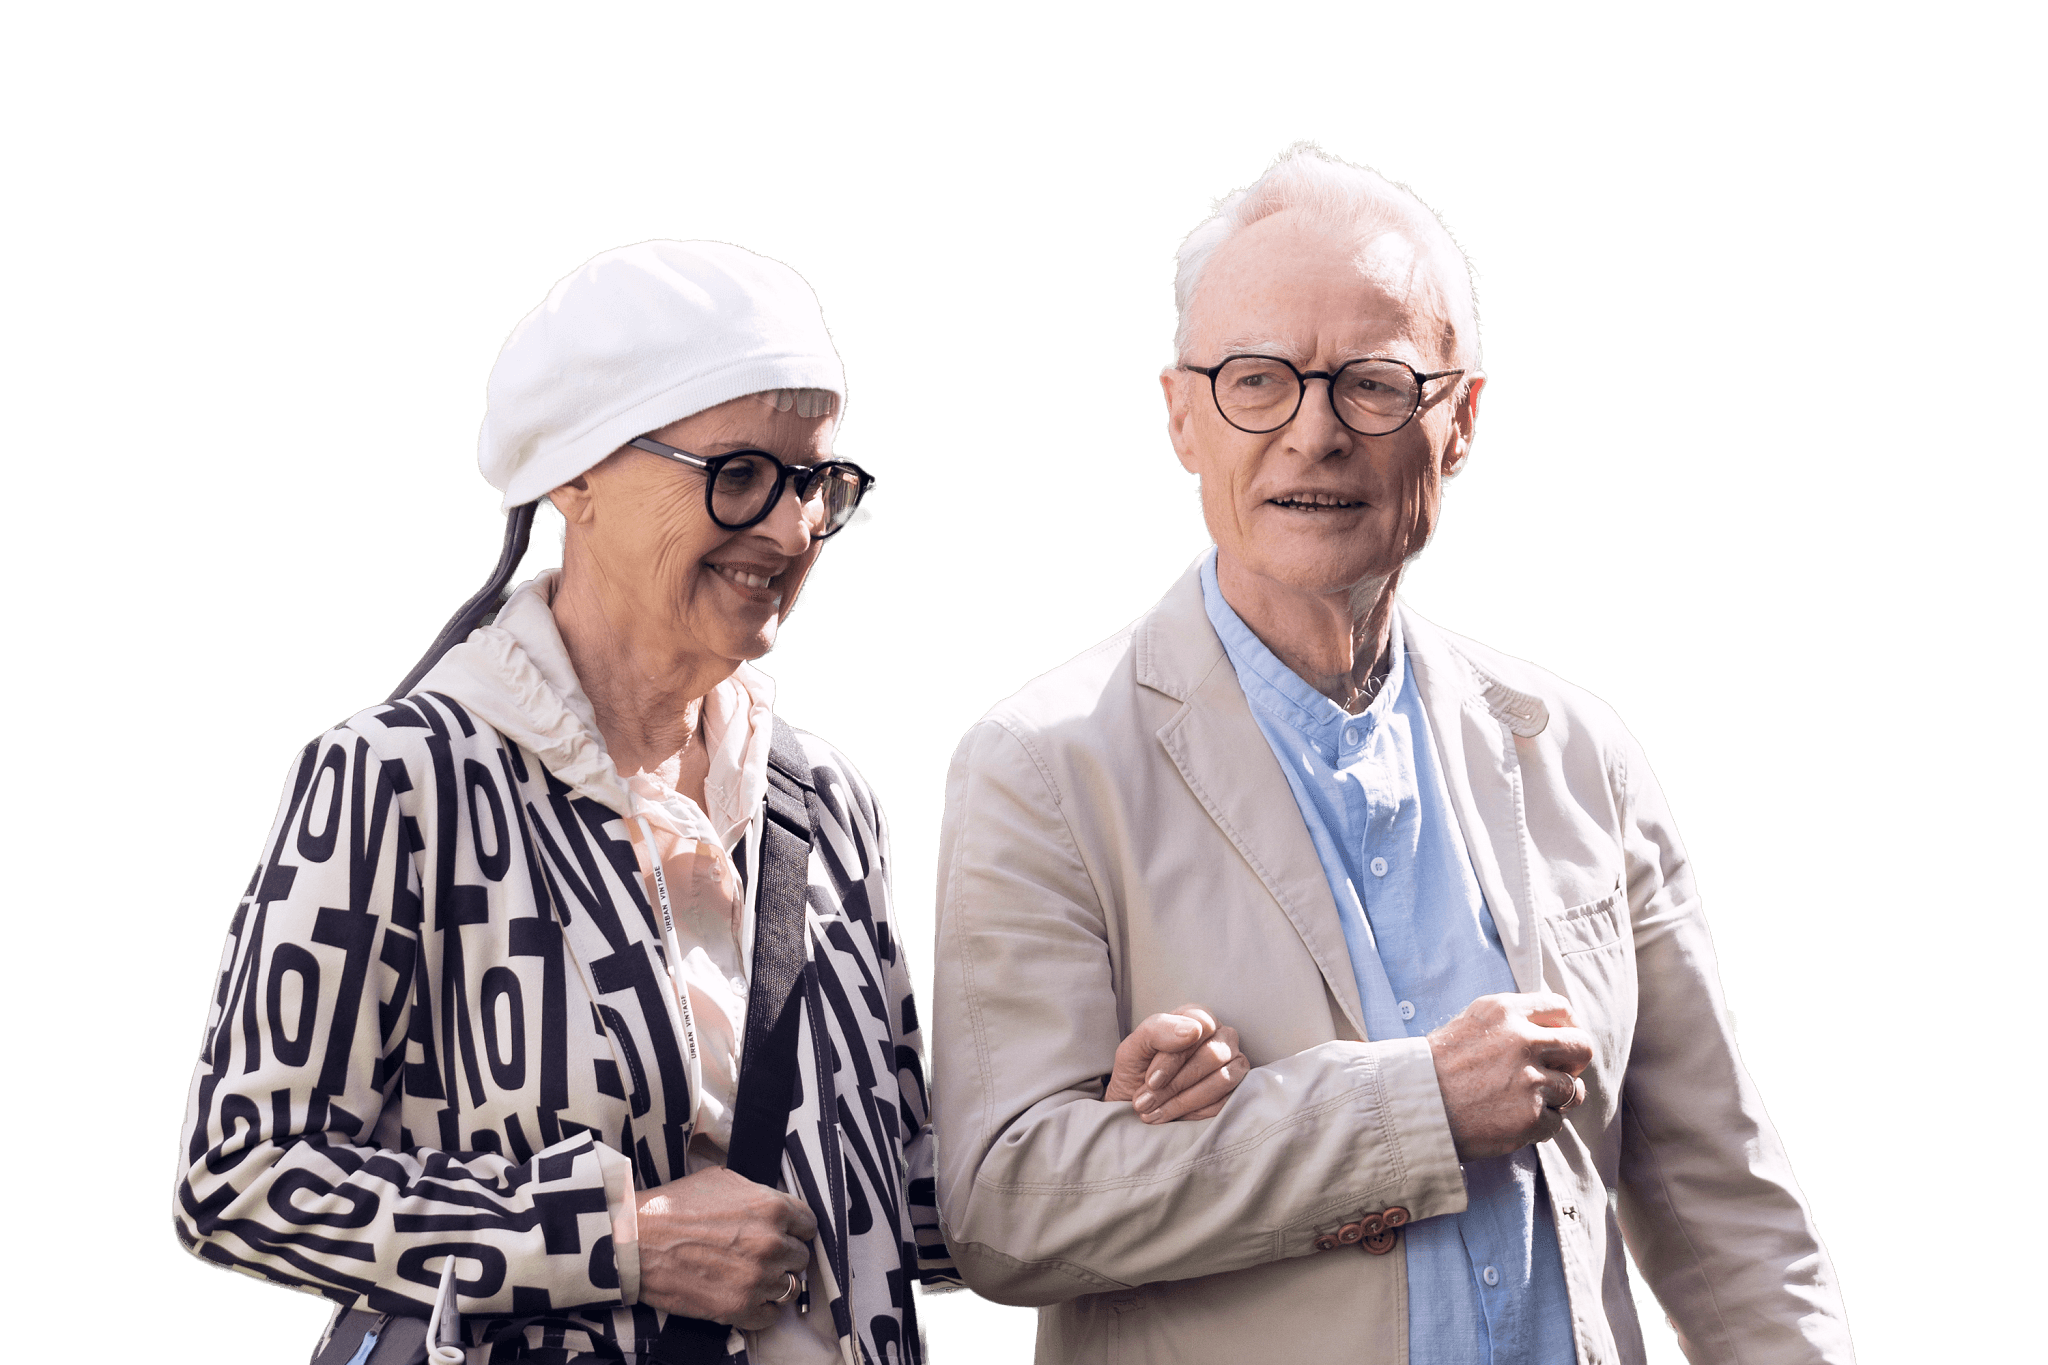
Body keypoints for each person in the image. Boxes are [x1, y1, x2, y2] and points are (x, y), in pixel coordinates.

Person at [929, 146, 1854, 1364]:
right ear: (1180, 417)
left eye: (1371, 385)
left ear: (1458, 419)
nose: (1310, 435)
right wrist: (1411, 1107)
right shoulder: (1042, 761)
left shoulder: (1576, 747)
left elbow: (1719, 1201)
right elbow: (1004, 1210)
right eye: (1255, 380)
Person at [174, 240, 960, 1364]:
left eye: (813, 482)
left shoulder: (826, 802)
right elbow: (242, 1176)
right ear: (575, 477)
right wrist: (612, 1238)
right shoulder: (401, 779)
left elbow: (893, 1197)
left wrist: (1102, 1106)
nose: (788, 533)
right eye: (736, 474)